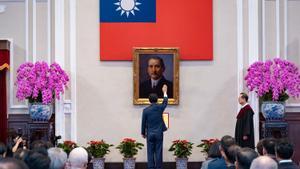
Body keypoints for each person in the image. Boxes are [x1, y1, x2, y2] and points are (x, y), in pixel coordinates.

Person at [141, 85, 168, 169]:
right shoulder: (160, 108)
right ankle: (159, 167)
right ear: (157, 100)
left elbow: (143, 123)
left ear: (149, 100)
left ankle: (151, 167)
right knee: (158, 151)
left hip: (150, 134)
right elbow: (165, 102)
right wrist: (164, 92)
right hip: (159, 133)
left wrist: (143, 133)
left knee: (150, 151)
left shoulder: (145, 110)